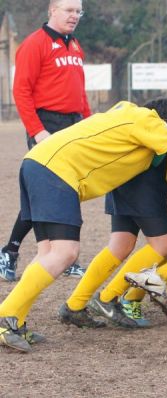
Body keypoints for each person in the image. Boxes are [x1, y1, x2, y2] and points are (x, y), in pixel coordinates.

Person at [0, 98, 167, 353]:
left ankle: (15, 321)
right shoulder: (148, 121)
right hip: (57, 171)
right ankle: (6, 316)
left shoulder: (127, 110)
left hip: (38, 161)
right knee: (65, 253)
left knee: (47, 254)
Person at [57, 91, 167, 329]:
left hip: (121, 181)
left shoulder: (135, 116)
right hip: (144, 187)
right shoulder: (155, 126)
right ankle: (108, 298)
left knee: (119, 246)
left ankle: (75, 304)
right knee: (164, 246)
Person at [0, 0, 90, 282]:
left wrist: (89, 123)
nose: (74, 16)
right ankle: (14, 250)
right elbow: (21, 91)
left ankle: (47, 252)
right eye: (69, 10)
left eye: (78, 11)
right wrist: (38, 131)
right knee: (49, 192)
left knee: (68, 189)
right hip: (46, 125)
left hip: (73, 124)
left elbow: (80, 92)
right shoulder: (34, 43)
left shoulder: (74, 45)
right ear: (52, 11)